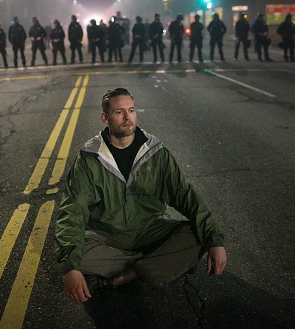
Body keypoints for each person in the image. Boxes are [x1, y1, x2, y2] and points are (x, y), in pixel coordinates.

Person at [55, 88, 227, 304]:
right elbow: (72, 212)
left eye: (132, 110)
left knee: (197, 234)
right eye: (119, 112)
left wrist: (215, 240)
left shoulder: (155, 153)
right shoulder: (90, 159)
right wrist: (69, 268)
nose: (128, 118)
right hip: (105, 233)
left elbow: (185, 195)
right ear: (104, 117)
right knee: (75, 256)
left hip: (149, 229)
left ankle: (125, 276)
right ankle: (157, 264)